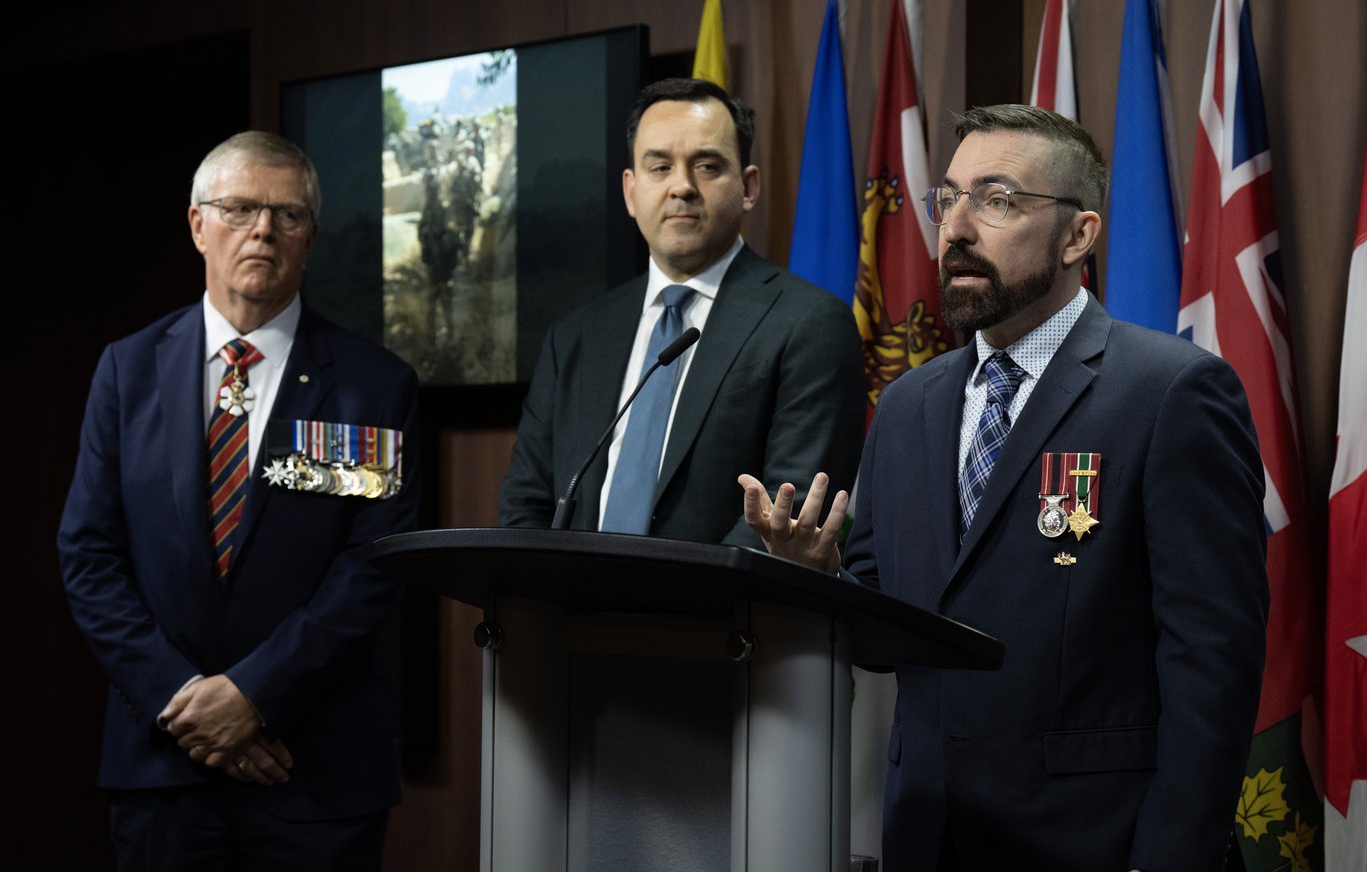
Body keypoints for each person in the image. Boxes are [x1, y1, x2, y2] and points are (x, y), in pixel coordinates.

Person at [740, 105, 1268, 871]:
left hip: (1096, 845)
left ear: (1078, 236)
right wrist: (819, 579)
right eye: (948, 198)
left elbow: (1213, 664)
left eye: (996, 201)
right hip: (929, 839)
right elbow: (887, 632)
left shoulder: (1173, 393)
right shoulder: (907, 405)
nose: (955, 228)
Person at [57, 131, 420, 870]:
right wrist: (187, 701)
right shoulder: (127, 371)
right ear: (198, 225)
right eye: (240, 209)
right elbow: (89, 556)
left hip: (313, 774)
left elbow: (371, 568)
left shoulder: (373, 386)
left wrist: (253, 698)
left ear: (310, 237)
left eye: (287, 215)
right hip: (163, 766)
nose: (262, 231)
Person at [500, 78, 865, 544]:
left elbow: (784, 516)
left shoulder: (810, 324)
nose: (682, 187)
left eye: (707, 166)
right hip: (571, 593)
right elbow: (526, 506)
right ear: (630, 191)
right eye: (660, 167)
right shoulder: (575, 337)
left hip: (725, 594)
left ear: (749, 187)